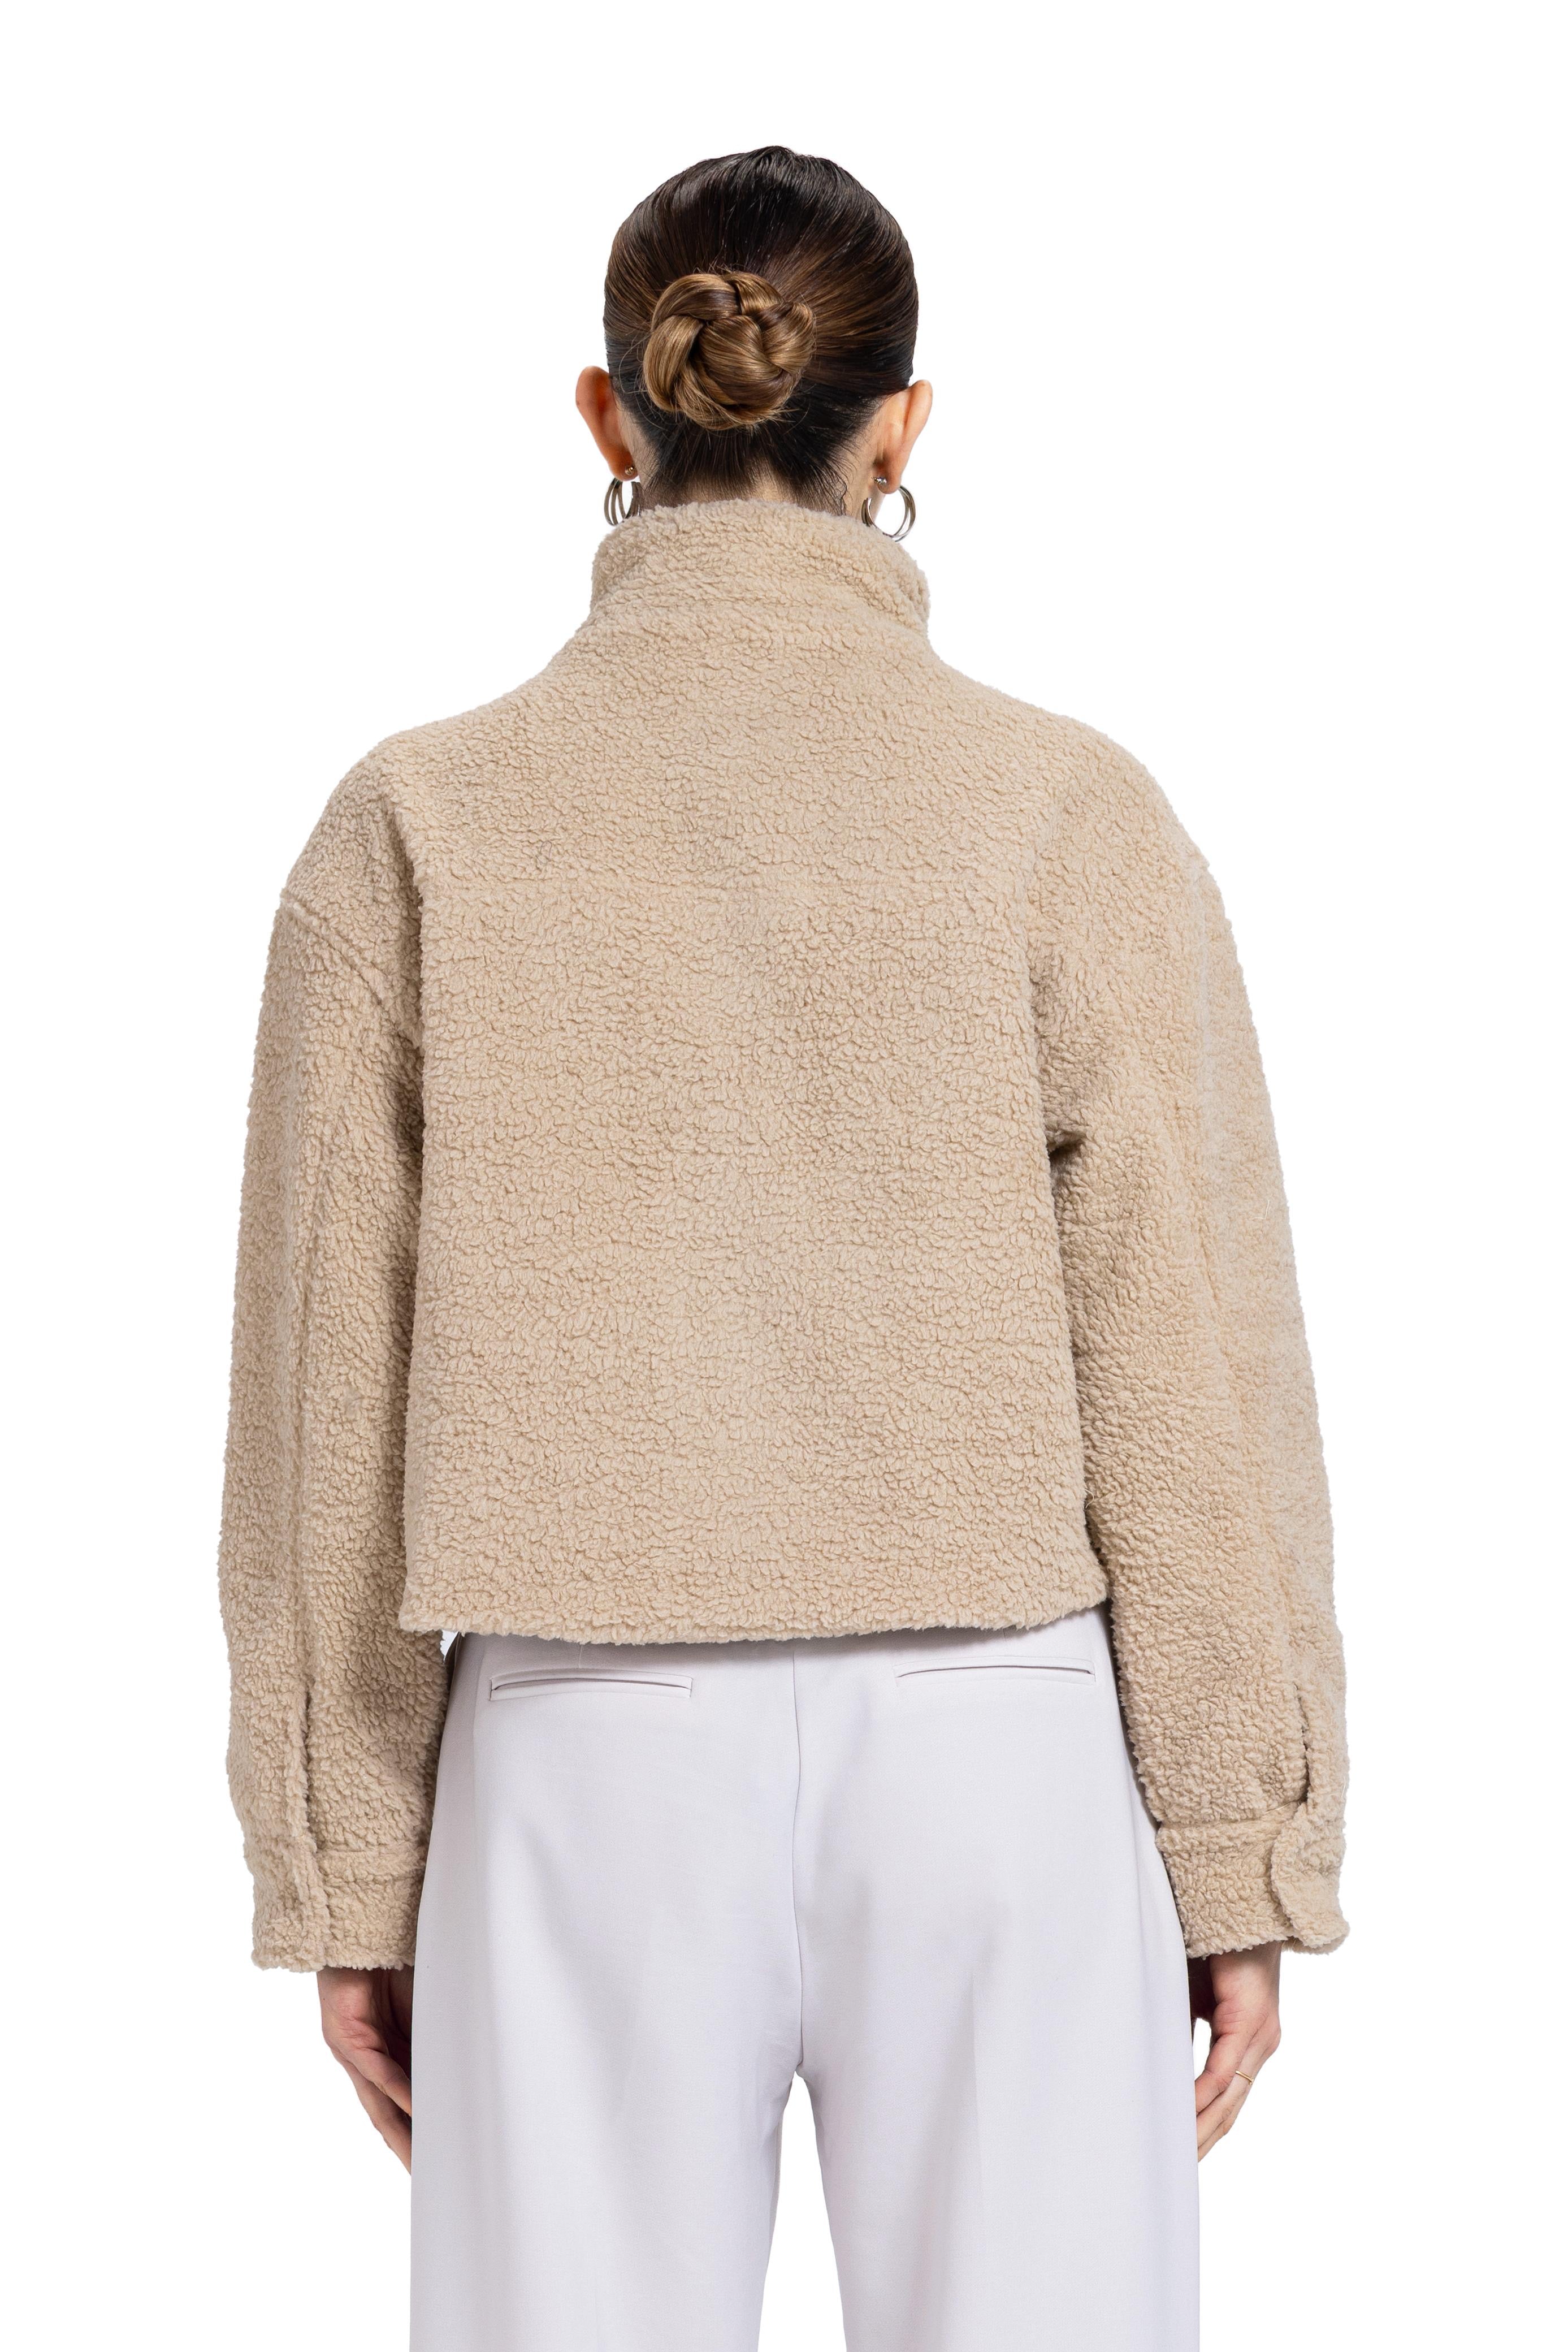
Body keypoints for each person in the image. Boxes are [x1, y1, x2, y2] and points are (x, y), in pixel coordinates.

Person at [219, 145, 1348, 2352]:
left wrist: (347, 1856)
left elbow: (321, 1388)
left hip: (582, 1751)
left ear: (607, 409)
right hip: (1002, 1743)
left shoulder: (417, 819)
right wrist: (1241, 1837)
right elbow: (1190, 1360)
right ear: (902, 426)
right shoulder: (1065, 810)